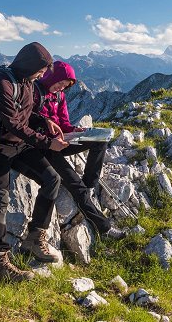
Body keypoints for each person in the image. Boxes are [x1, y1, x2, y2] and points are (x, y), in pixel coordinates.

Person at [0, 42, 68, 281]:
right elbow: (13, 124)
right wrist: (49, 143)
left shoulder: (26, 82)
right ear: (30, 65)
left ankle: (34, 238)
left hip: (19, 145)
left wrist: (43, 121)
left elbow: (25, 114)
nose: (42, 75)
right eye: (40, 70)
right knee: (0, 198)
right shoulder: (1, 83)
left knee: (52, 179)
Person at [36, 61, 125, 239]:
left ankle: (90, 184)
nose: (60, 88)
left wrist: (74, 130)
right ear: (52, 76)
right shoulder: (35, 93)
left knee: (100, 140)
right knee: (76, 185)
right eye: (59, 83)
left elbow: (63, 122)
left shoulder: (59, 95)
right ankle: (104, 228)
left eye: (64, 86)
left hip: (61, 141)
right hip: (45, 147)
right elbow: (31, 125)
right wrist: (52, 139)